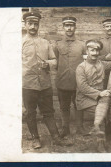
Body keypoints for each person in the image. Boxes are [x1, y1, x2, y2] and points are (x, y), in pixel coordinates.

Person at [22, 12, 71, 148]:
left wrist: (47, 64)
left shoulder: (45, 42)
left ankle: (56, 138)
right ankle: (35, 138)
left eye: (35, 24)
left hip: (45, 84)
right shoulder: (20, 43)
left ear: (38, 25)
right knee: (30, 112)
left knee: (49, 112)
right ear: (25, 25)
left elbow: (54, 60)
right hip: (27, 85)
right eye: (30, 23)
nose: (33, 26)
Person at [75, 39, 111, 153]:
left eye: (97, 50)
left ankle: (98, 129)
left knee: (110, 107)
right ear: (87, 51)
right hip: (85, 98)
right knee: (100, 111)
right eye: (92, 50)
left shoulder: (101, 64)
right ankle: (100, 144)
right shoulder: (81, 67)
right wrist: (99, 93)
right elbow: (82, 87)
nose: (95, 53)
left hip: (101, 97)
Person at [54, 16, 86, 136]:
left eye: (71, 25)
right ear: (63, 27)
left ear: (75, 27)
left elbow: (85, 63)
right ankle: (65, 128)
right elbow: (56, 62)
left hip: (78, 82)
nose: (69, 28)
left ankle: (80, 127)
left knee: (79, 105)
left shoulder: (82, 45)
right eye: (66, 25)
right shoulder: (57, 44)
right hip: (62, 81)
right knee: (64, 106)